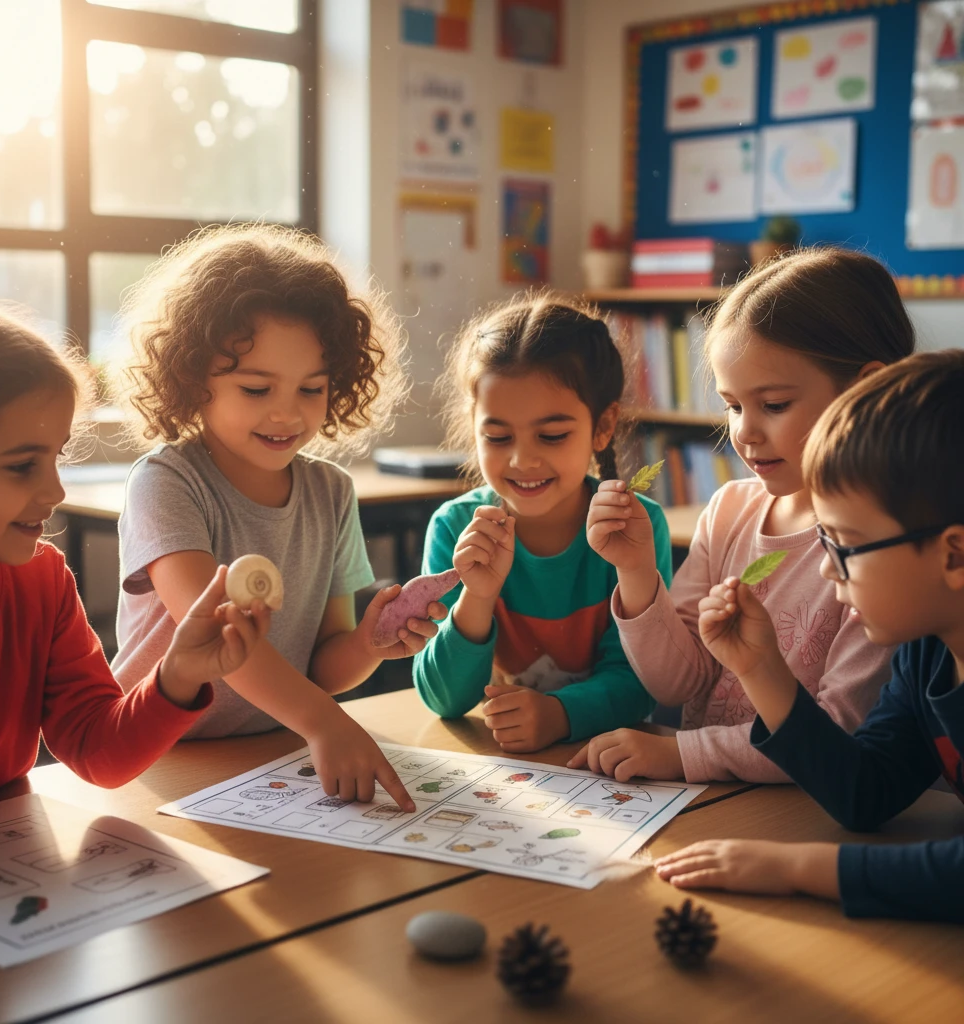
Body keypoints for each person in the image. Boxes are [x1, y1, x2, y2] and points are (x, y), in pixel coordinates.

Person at [112, 225, 439, 809]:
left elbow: (322, 667)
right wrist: (324, 724)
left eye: (312, 389)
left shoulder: (331, 492)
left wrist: (367, 643)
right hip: (157, 758)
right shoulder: (166, 483)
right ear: (191, 379)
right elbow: (216, 635)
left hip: (268, 755)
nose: (287, 413)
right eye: (257, 388)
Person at [570, 248, 915, 782]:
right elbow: (679, 685)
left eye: (773, 405)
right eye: (733, 406)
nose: (745, 433)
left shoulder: (881, 549)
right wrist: (637, 573)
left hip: (811, 816)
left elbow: (839, 733)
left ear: (864, 390)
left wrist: (682, 755)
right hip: (716, 804)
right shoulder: (731, 509)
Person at [656, 351, 964, 923]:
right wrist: (761, 670)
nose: (828, 567)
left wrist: (798, 870)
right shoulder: (926, 655)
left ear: (953, 554)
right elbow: (865, 793)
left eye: (844, 544)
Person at [0, 294, 269, 807]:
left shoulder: (42, 580)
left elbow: (98, 750)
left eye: (58, 457)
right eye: (23, 465)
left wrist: (178, 673)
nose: (55, 492)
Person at [413, 293, 671, 752]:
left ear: (603, 426)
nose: (522, 459)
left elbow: (644, 678)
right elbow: (444, 700)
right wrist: (478, 594)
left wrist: (560, 714)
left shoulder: (634, 528)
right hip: (505, 765)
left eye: (552, 436)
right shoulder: (455, 529)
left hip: (603, 761)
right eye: (497, 436)